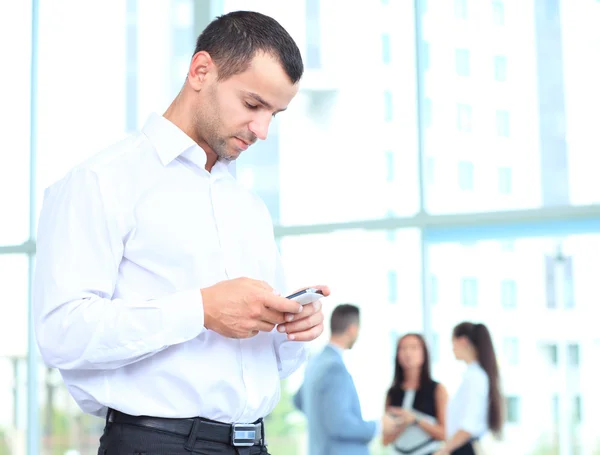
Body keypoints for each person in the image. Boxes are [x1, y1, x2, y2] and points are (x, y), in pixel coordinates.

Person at [33, 11, 329, 455]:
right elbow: (62, 333)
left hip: (254, 443)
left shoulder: (248, 208)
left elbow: (268, 365)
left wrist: (291, 327)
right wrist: (201, 309)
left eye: (275, 114)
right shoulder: (101, 181)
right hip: (154, 444)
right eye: (252, 105)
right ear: (201, 70)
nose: (263, 131)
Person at [293, 304, 402, 455]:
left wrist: (322, 420)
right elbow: (339, 424)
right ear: (352, 329)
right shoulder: (335, 368)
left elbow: (298, 401)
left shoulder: (314, 362)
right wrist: (378, 426)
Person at [433, 323, 503, 455]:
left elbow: (468, 426)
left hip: (465, 449)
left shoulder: (475, 377)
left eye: (452, 343)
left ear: (462, 341)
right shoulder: (473, 375)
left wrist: (443, 450)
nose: (452, 349)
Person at [383, 333, 448, 455]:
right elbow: (385, 440)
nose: (408, 353)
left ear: (424, 353)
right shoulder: (392, 393)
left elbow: (444, 434)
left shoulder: (437, 389)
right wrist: (402, 423)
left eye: (414, 348)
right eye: (403, 348)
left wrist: (416, 419)